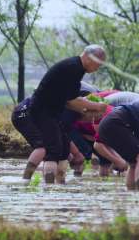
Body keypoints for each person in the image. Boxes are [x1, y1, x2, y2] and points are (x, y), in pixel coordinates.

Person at [28, 45, 109, 184]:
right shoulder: (73, 68)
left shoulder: (76, 68)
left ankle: (60, 184)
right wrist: (97, 106)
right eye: (98, 64)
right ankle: (48, 188)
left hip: (53, 112)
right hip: (43, 111)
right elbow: (72, 102)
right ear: (90, 58)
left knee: (63, 150)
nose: (98, 68)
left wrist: (89, 107)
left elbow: (71, 100)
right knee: (53, 152)